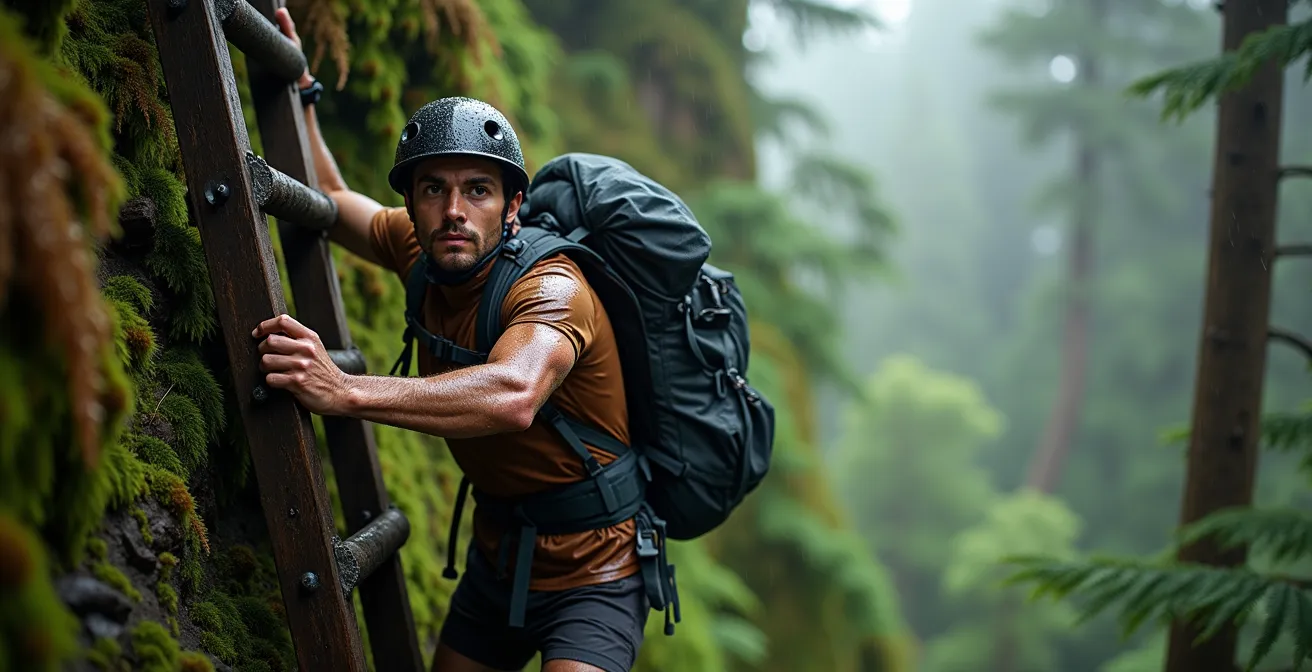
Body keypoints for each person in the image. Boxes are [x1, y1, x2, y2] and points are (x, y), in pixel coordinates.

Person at [249, 10, 650, 672]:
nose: (455, 210)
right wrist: (299, 88)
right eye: (433, 188)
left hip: (596, 571)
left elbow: (514, 392)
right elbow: (327, 194)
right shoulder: (421, 246)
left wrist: (345, 388)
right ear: (412, 202)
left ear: (511, 205)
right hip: (497, 561)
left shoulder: (554, 289)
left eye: (478, 190)